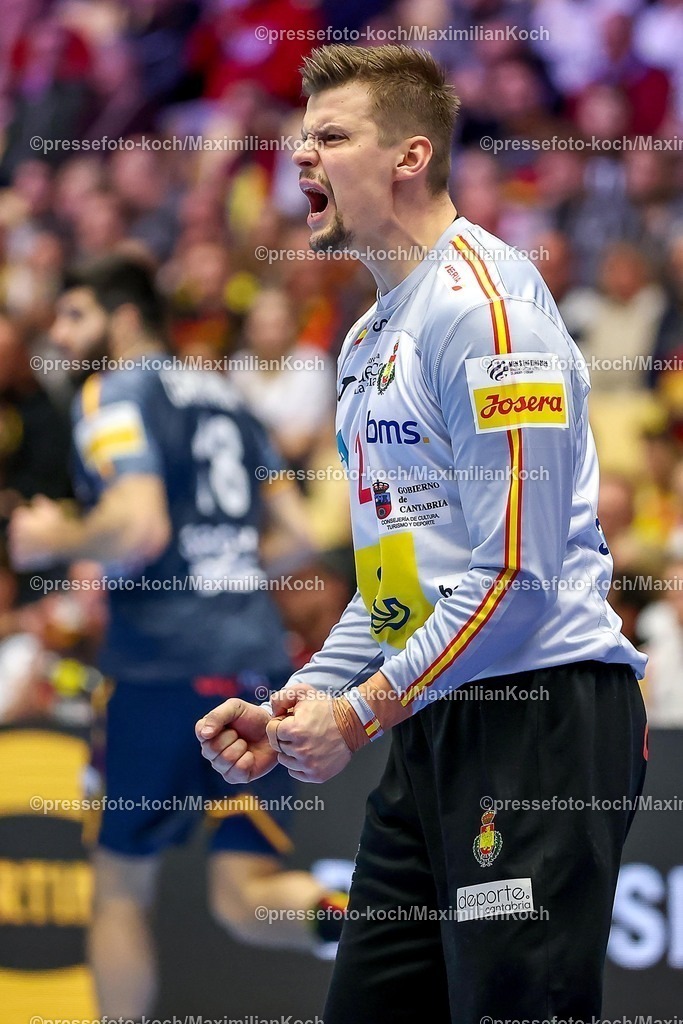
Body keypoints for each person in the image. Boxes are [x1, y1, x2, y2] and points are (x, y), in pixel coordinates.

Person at [196, 44, 649, 1023]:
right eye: (297, 138)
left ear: (408, 155)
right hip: (431, 725)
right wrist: (307, 696)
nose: (297, 159)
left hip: (536, 729)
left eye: (327, 136)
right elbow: (396, 582)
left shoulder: (486, 316)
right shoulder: (364, 339)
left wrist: (359, 710)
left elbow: (515, 576)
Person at [8, 257, 347, 1020]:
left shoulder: (113, 391)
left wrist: (53, 534)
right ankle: (372, 919)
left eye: (75, 317)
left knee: (121, 886)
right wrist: (215, 572)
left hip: (160, 672)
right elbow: (296, 534)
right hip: (254, 667)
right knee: (242, 896)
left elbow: (139, 525)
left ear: (122, 319)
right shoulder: (226, 395)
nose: (60, 335)